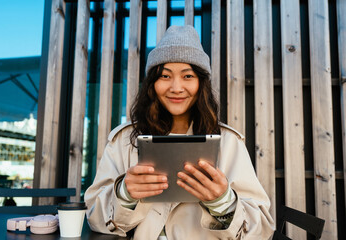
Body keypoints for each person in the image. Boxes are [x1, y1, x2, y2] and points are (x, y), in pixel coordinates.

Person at [84, 25, 275, 240]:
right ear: (152, 84)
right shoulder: (124, 140)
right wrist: (125, 195)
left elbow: (262, 231)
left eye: (187, 76)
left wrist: (223, 202)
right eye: (165, 76)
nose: (176, 87)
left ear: (201, 83)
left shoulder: (229, 142)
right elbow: (94, 217)